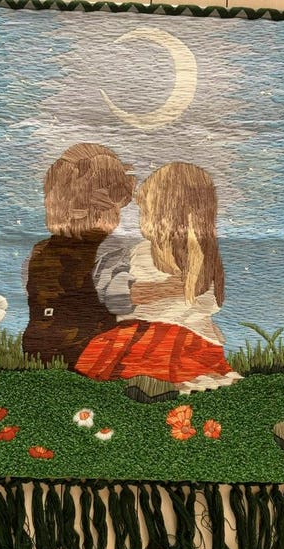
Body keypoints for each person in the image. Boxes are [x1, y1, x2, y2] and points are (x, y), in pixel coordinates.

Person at [76, 162, 240, 394]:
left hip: (181, 334)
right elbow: (124, 297)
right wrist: (165, 289)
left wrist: (164, 291)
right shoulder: (143, 251)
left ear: (168, 214)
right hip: (142, 329)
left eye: (146, 211)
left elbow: (205, 303)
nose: (141, 219)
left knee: (158, 353)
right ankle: (155, 384)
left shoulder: (199, 257)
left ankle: (161, 385)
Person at [22, 143, 136, 368]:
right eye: (114, 208)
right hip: (87, 348)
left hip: (37, 345)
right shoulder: (107, 249)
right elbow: (121, 303)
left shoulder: (41, 250)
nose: (118, 217)